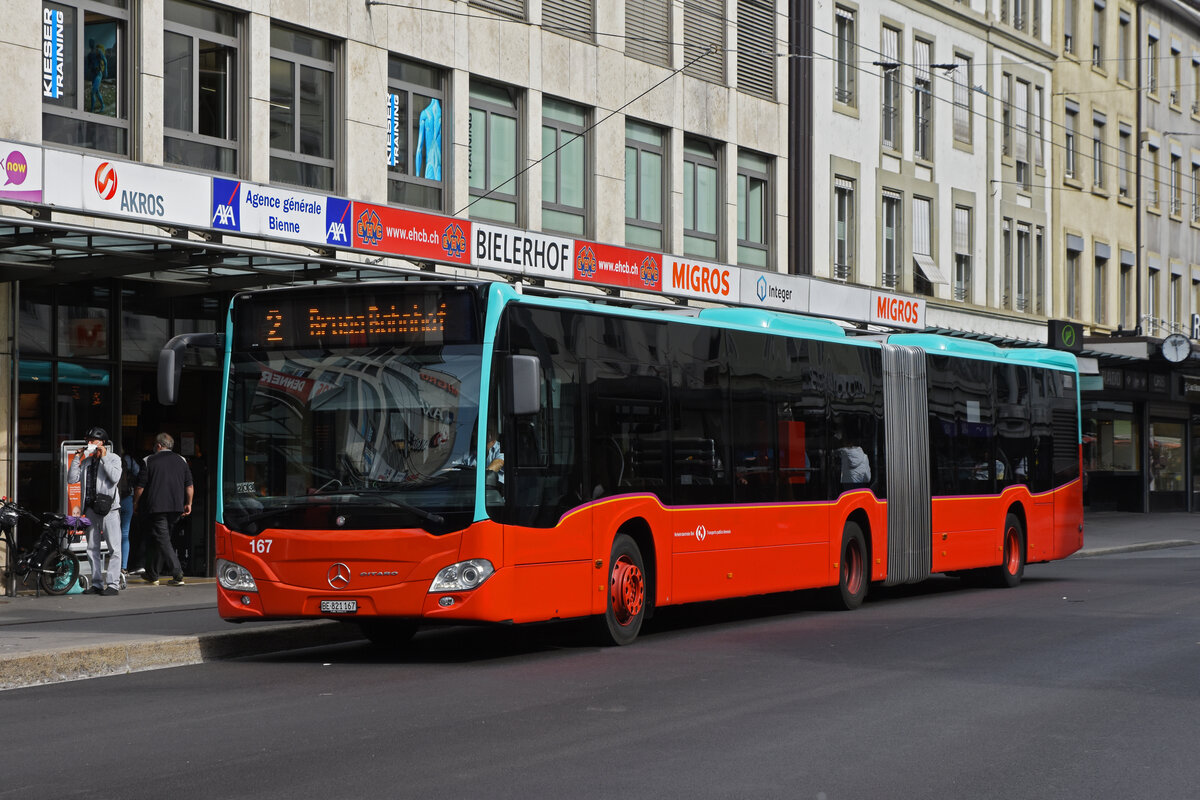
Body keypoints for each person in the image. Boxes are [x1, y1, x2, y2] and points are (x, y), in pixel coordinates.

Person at [67, 426, 123, 596]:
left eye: (93, 441)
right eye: (88, 441)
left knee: (114, 547)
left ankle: (113, 584)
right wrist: (77, 458)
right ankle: (97, 583)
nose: (90, 443)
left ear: (102, 442)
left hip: (110, 509)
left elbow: (115, 478)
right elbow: (71, 479)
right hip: (91, 508)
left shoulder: (114, 458)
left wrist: (104, 458)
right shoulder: (87, 462)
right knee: (92, 547)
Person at [133, 432, 192, 587]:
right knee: (159, 538)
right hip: (176, 507)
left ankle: (177, 572)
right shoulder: (182, 460)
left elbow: (140, 487)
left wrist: (136, 503)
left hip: (157, 507)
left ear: (158, 445)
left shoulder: (149, 460)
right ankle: (152, 574)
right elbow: (189, 486)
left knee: (162, 539)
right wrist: (189, 503)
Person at [117, 445, 141, 573]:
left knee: (111, 533)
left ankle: (112, 563)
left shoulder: (110, 459)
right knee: (125, 533)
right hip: (128, 498)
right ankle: (124, 566)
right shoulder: (129, 460)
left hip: (113, 500)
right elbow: (139, 473)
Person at [85, 40, 107, 113]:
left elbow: (105, 60)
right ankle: (103, 105)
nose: (90, 44)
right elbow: (88, 65)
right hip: (94, 74)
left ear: (94, 43)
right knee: (96, 91)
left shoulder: (98, 51)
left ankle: (91, 110)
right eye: (90, 43)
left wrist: (106, 70)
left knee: (92, 92)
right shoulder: (89, 54)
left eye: (91, 42)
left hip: (98, 74)